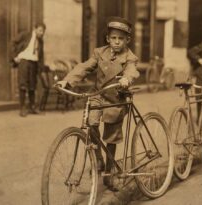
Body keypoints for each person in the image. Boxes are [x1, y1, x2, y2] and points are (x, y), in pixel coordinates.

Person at [56, 17, 139, 191]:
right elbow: (85, 67)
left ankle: (109, 174)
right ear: (108, 39)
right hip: (98, 95)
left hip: (116, 99)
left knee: (111, 137)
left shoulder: (129, 57)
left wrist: (126, 78)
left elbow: (132, 70)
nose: (117, 42)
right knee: (91, 124)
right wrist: (67, 81)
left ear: (127, 40)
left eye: (121, 39)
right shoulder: (99, 52)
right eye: (113, 38)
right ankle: (98, 159)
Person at [11, 23, 46, 117]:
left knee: (32, 85)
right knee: (23, 84)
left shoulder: (41, 41)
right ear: (34, 29)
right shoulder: (25, 35)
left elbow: (41, 56)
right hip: (24, 61)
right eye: (40, 30)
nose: (42, 33)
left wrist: (40, 68)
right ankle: (22, 108)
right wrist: (14, 57)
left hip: (34, 63)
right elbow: (13, 42)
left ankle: (32, 107)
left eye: (43, 31)